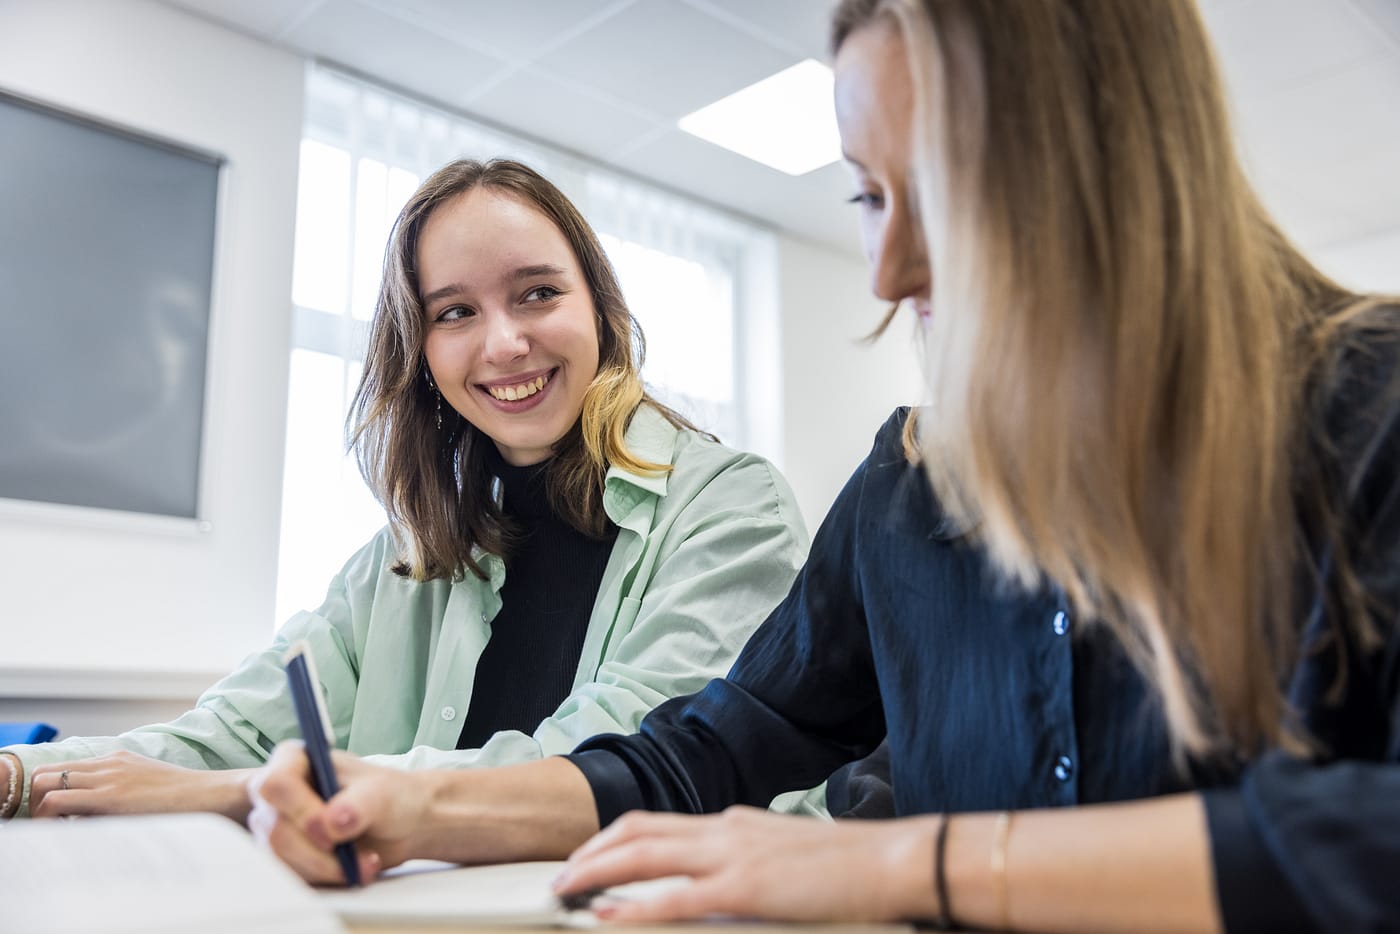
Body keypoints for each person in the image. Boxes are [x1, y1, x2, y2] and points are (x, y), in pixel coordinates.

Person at [245, 3, 1400, 931]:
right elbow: (708, 748)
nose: (888, 268)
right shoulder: (906, 490)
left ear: (1122, 157)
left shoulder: (1372, 410)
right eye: (864, 195)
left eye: (935, 183)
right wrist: (419, 804)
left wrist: (896, 864)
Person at [0, 159, 810, 822]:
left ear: (599, 305)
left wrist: (255, 792)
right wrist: (17, 774)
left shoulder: (732, 509)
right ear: (419, 353)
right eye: (454, 312)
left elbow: (626, 761)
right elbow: (229, 734)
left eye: (538, 292)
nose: (504, 342)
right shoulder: (402, 560)